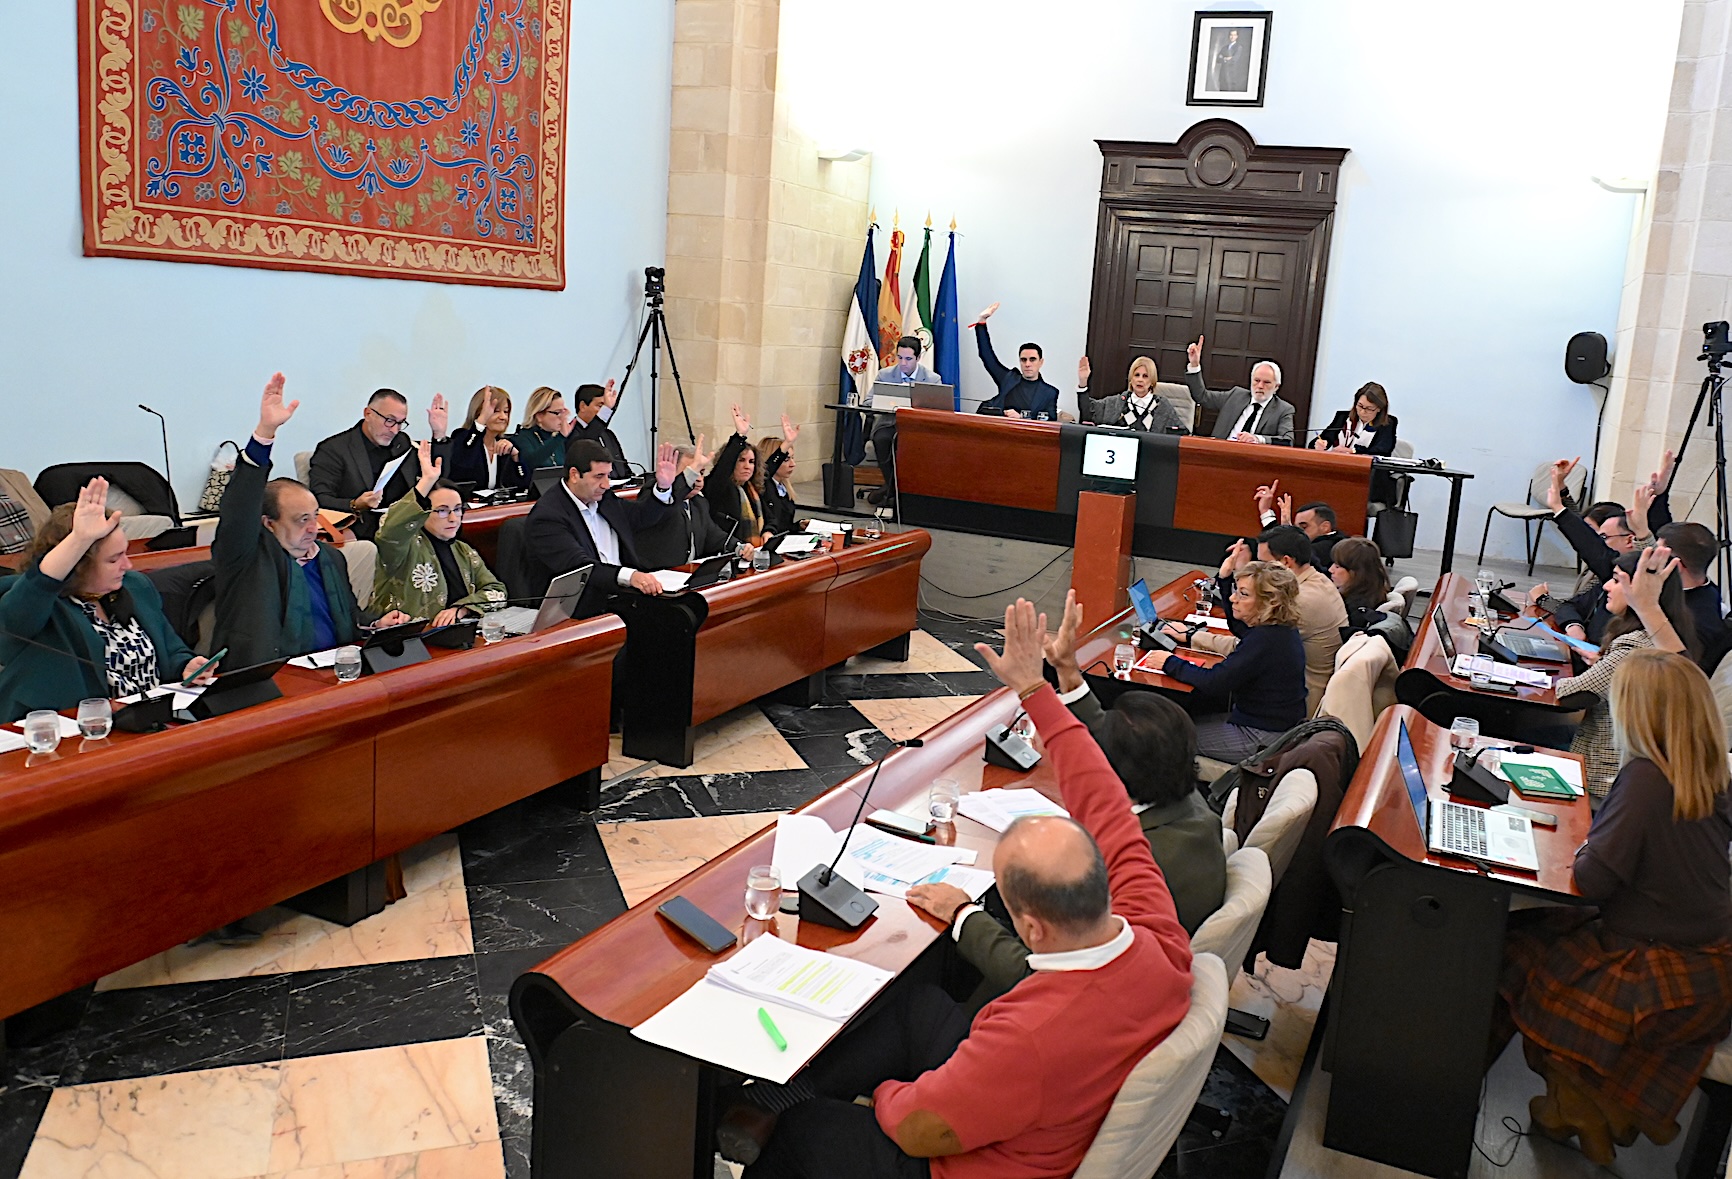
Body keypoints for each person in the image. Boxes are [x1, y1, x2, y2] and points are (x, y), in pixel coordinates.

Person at [733, 598, 1193, 1179]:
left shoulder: (1032, 1035)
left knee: (813, 1133)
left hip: (977, 1162)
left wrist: (891, 1094)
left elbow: (922, 1128)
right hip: (1052, 1100)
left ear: (1029, 930)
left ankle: (788, 1115)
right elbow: (1106, 803)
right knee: (917, 1007)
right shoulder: (1157, 932)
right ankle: (779, 1097)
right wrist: (1035, 690)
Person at [1495, 649, 1732, 1165]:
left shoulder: (1647, 778)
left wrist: (1578, 845)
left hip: (1659, 965)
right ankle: (1591, 1114)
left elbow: (1591, 879)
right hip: (1708, 966)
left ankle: (1584, 1108)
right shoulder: (1705, 771)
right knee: (1540, 938)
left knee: (1517, 955)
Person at [214, 375, 409, 667]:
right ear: (269, 523)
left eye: (315, 516)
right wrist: (265, 433)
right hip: (272, 680)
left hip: (335, 672)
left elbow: (350, 619)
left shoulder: (329, 557)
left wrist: (377, 623)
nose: (313, 528)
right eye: (301, 520)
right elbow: (238, 509)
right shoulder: (248, 560)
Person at [0, 478, 217, 722]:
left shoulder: (135, 587)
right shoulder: (35, 603)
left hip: (148, 722)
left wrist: (186, 666)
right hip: (66, 736)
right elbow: (36, 590)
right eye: (114, 559)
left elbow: (170, 649)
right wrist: (79, 539)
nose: (128, 565)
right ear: (79, 563)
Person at [1554, 545, 1698, 802]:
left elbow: (1570, 693)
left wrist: (1593, 669)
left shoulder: (1633, 643)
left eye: (1616, 580)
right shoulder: (1668, 635)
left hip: (1602, 775)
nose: (1607, 587)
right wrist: (1602, 662)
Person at [1179, 526, 1345, 715]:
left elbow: (1249, 642)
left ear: (1285, 562)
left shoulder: (1300, 601)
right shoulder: (1318, 580)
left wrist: (1191, 636)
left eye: (1264, 562)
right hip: (1292, 690)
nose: (1260, 565)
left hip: (1294, 705)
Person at [1157, 559, 1308, 762]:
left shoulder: (1264, 640)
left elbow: (1214, 681)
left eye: (1243, 594)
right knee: (1183, 717)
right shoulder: (1279, 629)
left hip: (1260, 735)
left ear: (1270, 601)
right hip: (1268, 723)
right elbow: (1240, 628)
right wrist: (1225, 579)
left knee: (1166, 736)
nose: (1232, 598)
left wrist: (1168, 663)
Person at [522, 437, 679, 618]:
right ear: (574, 475)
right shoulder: (548, 516)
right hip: (580, 610)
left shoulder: (604, 498)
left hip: (622, 598)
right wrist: (631, 576)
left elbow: (641, 518)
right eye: (598, 476)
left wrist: (663, 486)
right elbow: (581, 568)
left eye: (608, 475)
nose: (606, 484)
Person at [369, 439, 509, 625]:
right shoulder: (404, 546)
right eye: (442, 510)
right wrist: (426, 482)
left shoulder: (463, 550)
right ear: (422, 513)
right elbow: (390, 531)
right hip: (408, 640)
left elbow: (496, 591)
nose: (453, 518)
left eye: (457, 509)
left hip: (457, 634)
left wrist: (463, 608)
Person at [308, 387, 450, 541]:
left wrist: (439, 435)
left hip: (407, 523)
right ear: (368, 413)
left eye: (400, 423)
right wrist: (355, 504)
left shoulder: (402, 442)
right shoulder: (334, 449)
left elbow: (436, 477)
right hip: (364, 528)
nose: (394, 430)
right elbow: (319, 499)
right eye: (389, 421)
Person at [636, 437, 743, 569]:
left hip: (687, 575)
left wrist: (739, 547)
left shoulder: (699, 502)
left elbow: (713, 535)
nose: (698, 479)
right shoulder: (656, 494)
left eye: (701, 472)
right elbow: (660, 504)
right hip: (656, 578)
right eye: (691, 472)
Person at [1182, 335, 1295, 445]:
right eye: (1256, 380)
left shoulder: (1283, 410)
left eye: (1266, 382)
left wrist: (1258, 439)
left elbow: (1287, 440)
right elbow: (1202, 397)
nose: (1260, 386)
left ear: (1276, 386)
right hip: (1221, 452)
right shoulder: (1235, 396)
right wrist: (1194, 365)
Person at [868, 337, 935, 507]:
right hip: (889, 422)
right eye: (900, 358)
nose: (903, 363)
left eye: (908, 359)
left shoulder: (932, 379)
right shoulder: (885, 374)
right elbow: (868, 400)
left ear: (918, 358)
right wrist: (886, 403)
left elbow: (937, 408)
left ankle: (895, 490)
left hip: (916, 427)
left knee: (910, 443)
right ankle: (893, 488)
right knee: (882, 439)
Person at [1656, 520, 1730, 670]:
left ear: (1675, 565)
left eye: (1656, 554)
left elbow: (1676, 670)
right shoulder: (1706, 590)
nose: (1650, 560)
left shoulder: (1698, 620)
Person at [970, 303, 1060, 419]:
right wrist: (982, 321)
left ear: (1041, 362)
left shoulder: (1050, 392)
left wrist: (1022, 419)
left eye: (1032, 360)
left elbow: (1050, 423)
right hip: (1000, 430)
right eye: (1023, 360)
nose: (1027, 364)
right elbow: (987, 356)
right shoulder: (1008, 379)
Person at [1316, 382, 1399, 503]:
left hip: (1366, 479)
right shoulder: (1342, 417)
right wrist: (1320, 444)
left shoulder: (1388, 424)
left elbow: (1383, 450)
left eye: (1369, 409)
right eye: (1360, 406)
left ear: (1379, 409)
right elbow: (1324, 438)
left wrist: (1353, 452)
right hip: (1337, 472)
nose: (1363, 412)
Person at [1076, 355, 1189, 434]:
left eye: (1145, 376)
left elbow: (1181, 433)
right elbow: (1089, 412)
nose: (1140, 380)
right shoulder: (1118, 402)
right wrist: (1083, 382)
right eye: (1137, 375)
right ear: (1131, 379)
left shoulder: (1162, 406)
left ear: (1152, 381)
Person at [447, 386, 530, 493]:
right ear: (479, 412)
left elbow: (523, 486)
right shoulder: (462, 437)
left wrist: (516, 458)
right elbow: (463, 463)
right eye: (496, 411)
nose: (503, 417)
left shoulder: (505, 445)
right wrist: (481, 420)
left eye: (506, 411)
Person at [705, 405, 767, 541]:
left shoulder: (751, 490)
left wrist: (768, 531)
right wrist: (739, 436)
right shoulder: (719, 487)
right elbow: (722, 469)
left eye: (751, 462)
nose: (747, 466)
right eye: (741, 460)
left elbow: (770, 519)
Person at [1254, 483, 1348, 568]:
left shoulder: (1330, 548)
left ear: (1325, 527)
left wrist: (1287, 529)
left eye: (1304, 527)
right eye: (1296, 528)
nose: (1299, 532)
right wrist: (1265, 510)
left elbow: (1293, 550)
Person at [567, 381, 632, 479]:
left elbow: (623, 466)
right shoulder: (570, 433)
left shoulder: (608, 434)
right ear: (583, 406)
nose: (602, 411)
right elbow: (586, 442)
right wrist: (606, 411)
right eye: (600, 406)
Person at [1330, 536, 1393, 630]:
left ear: (1357, 572)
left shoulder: (1355, 609)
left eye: (1337, 566)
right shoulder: (1373, 592)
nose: (1331, 569)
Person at [511, 385, 578, 473]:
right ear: (539, 416)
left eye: (563, 412)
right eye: (557, 413)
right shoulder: (523, 438)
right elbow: (530, 463)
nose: (562, 418)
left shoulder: (557, 439)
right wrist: (560, 437)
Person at [758, 415, 802, 535]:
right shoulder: (763, 485)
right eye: (786, 459)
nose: (793, 464)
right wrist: (787, 443)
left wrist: (799, 525)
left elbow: (783, 526)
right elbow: (765, 471)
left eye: (792, 458)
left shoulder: (783, 488)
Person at [1211, 27, 1249, 91]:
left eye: (1234, 35)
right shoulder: (1224, 48)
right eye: (1231, 35)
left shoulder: (1239, 47)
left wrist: (1223, 58)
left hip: (1232, 77)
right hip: (1223, 76)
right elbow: (1218, 59)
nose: (1232, 37)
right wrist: (1226, 58)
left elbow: (1234, 60)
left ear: (1237, 36)